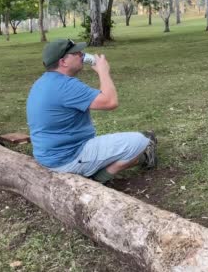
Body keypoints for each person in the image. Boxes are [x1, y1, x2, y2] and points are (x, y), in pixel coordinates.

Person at [26, 38, 157, 184]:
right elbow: (110, 102)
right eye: (76, 53)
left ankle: (106, 168)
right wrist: (103, 71)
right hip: (68, 158)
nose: (82, 54)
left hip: (49, 155)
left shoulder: (43, 82)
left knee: (127, 152)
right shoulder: (65, 86)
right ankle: (97, 179)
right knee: (139, 141)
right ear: (63, 62)